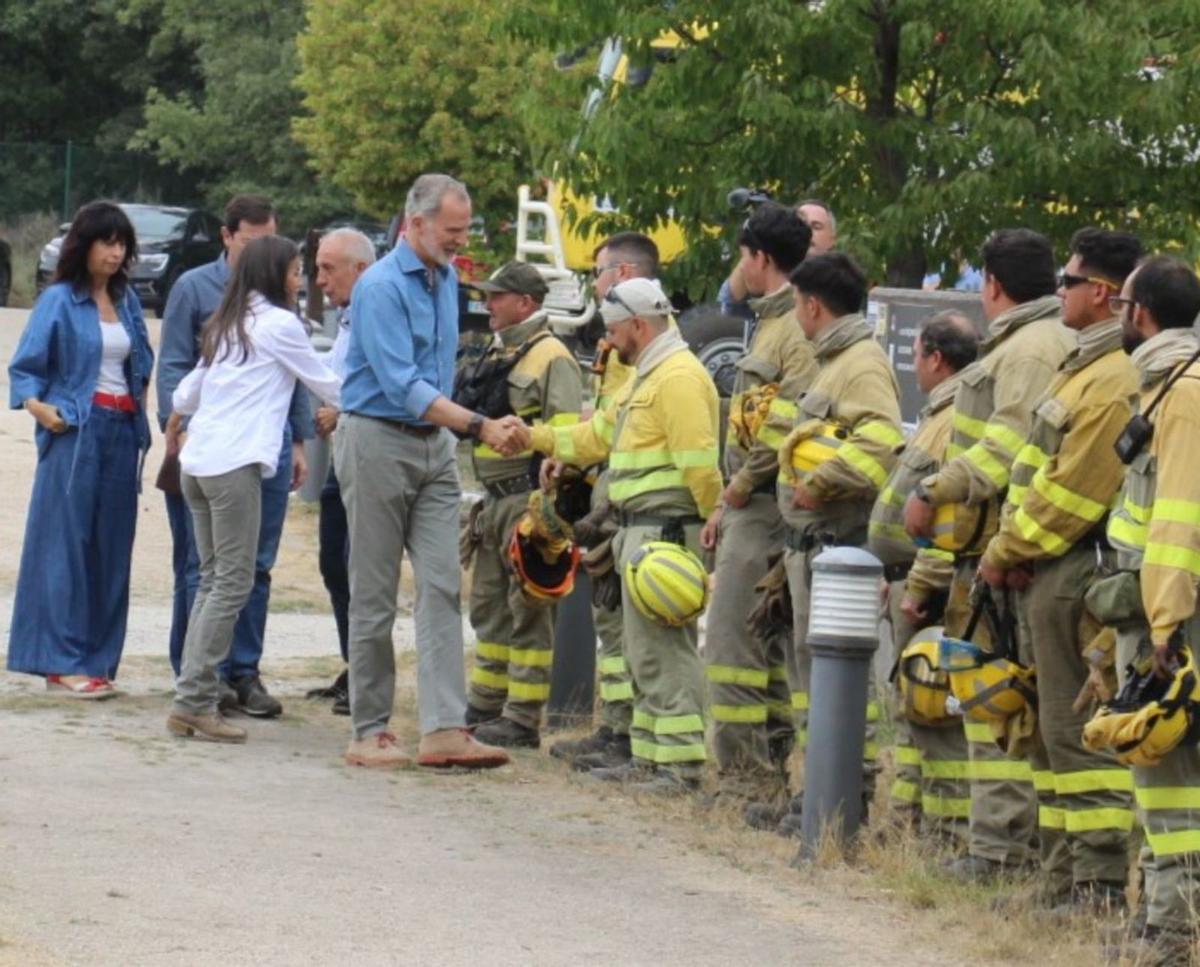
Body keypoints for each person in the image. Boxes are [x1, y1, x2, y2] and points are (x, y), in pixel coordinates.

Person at [903, 228, 1076, 882]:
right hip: (999, 552)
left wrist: (934, 486)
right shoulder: (1034, 343)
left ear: (993, 285)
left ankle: (1000, 853)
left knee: (997, 703)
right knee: (1008, 704)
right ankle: (1008, 850)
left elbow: (1007, 447)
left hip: (1006, 558)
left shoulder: (1028, 351)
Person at [976, 229, 1141, 912]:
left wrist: (1007, 550)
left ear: (1101, 293)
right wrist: (1014, 550)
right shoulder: (1082, 365)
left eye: (1068, 282)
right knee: (1049, 737)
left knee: (1077, 736)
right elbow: (1034, 469)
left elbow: (1073, 495)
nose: (1059, 292)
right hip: (1046, 568)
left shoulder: (1110, 381)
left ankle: (1097, 884)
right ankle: (1063, 875)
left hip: (1073, 572)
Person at [335, 173, 523, 770]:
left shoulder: (446, 281)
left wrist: (461, 426)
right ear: (414, 224)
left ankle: (444, 728)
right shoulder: (380, 288)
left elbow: (439, 378)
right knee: (374, 591)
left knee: (442, 584)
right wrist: (478, 425)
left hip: (433, 447)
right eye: (451, 232)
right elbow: (402, 385)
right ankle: (369, 729)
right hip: (377, 441)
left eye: (464, 232)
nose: (459, 243)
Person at [527, 277, 722, 794]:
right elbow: (596, 436)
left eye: (614, 332)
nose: (609, 343)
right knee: (643, 653)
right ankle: (650, 760)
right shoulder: (648, 376)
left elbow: (701, 467)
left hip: (665, 534)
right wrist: (532, 437)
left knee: (665, 653)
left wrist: (710, 532)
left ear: (639, 324)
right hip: (639, 533)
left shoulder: (677, 377)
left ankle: (679, 769)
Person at [165, 236, 341, 742]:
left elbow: (185, 393)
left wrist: (183, 418)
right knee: (233, 584)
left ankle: (190, 695)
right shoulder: (280, 324)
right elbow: (326, 383)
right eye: (293, 272)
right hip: (234, 464)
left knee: (214, 580)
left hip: (198, 464)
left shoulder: (227, 321)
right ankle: (194, 700)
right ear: (273, 274)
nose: (300, 280)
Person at [765, 252, 903, 834]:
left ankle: (847, 794)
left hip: (835, 543)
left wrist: (818, 483)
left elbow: (880, 441)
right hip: (809, 544)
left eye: (797, 304)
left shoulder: (860, 364)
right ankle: (817, 790)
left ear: (812, 305)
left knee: (839, 677)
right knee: (808, 676)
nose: (796, 314)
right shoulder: (834, 361)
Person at [7, 200, 154, 698]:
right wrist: (45, 411)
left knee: (112, 547)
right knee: (64, 546)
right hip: (78, 429)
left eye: (122, 246)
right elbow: (25, 368)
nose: (115, 254)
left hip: (122, 430)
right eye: (107, 243)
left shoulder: (128, 300)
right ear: (85, 245)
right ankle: (60, 662)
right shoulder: (58, 300)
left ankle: (98, 659)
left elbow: (141, 363)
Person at [698, 202, 817, 811]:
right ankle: (765, 774)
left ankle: (748, 778)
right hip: (753, 503)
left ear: (761, 259)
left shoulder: (791, 326)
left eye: (742, 256)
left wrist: (740, 486)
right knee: (761, 649)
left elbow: (786, 423)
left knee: (732, 646)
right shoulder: (774, 322)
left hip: (767, 504)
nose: (737, 268)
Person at [1101, 255, 1200, 965]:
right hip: (1156, 608)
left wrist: (1165, 624)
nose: (1115, 316)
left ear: (1142, 314)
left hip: (1174, 617)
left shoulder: (1186, 393)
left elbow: (1177, 522)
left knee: (1169, 774)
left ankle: (1172, 928)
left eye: (1122, 304)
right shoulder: (1167, 386)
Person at [548, 231, 666, 769]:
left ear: (621, 276)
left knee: (630, 633)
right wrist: (567, 454)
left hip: (635, 507)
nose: (594, 285)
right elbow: (602, 422)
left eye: (598, 274)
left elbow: (614, 425)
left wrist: (543, 439)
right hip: (610, 496)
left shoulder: (651, 349)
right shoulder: (621, 341)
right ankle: (616, 730)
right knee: (611, 629)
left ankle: (631, 739)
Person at [460, 261, 582, 747]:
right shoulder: (500, 348)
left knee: (528, 609)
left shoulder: (553, 357)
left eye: (497, 297)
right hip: (491, 503)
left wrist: (549, 514)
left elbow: (568, 438)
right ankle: (486, 704)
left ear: (526, 303)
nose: (487, 304)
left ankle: (523, 717)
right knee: (489, 607)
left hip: (526, 500)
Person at [868, 311, 979, 840]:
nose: (913, 368)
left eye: (916, 357)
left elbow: (947, 523)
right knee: (914, 711)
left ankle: (949, 830)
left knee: (937, 711)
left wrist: (919, 584)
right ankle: (907, 822)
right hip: (908, 578)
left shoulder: (955, 418)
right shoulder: (940, 414)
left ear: (937, 358)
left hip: (928, 590)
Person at [306, 228, 377, 716]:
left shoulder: (381, 317)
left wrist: (344, 408)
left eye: (328, 268)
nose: (319, 280)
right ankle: (355, 665)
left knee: (360, 569)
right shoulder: (350, 318)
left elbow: (385, 379)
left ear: (362, 270)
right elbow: (333, 371)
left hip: (370, 456)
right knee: (334, 561)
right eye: (316, 268)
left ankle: (369, 677)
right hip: (342, 454)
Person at [719, 199, 838, 316]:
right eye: (802, 225)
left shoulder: (842, 281)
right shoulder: (772, 274)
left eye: (816, 227)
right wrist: (757, 239)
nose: (807, 232)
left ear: (832, 238)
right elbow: (730, 304)